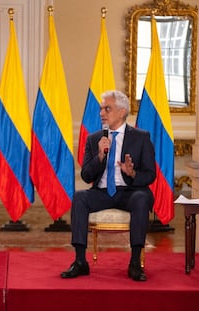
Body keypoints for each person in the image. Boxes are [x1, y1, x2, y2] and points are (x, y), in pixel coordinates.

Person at [61, 90, 156, 281]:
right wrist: (100, 157)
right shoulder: (94, 139)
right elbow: (86, 174)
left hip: (130, 192)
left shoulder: (141, 137)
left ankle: (135, 262)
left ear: (121, 112)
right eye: (101, 109)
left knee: (141, 198)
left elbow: (150, 175)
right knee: (80, 197)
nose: (101, 113)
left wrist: (132, 173)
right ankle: (80, 261)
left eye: (107, 109)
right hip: (102, 192)